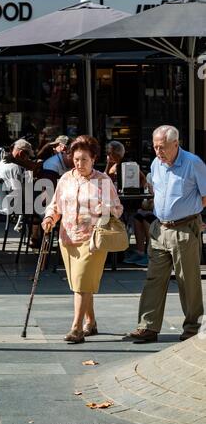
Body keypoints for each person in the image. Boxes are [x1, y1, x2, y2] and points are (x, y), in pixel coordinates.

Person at [128, 125, 206, 343]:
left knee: (187, 281)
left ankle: (192, 328)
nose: (158, 152)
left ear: (176, 144)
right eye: (154, 147)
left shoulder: (193, 163)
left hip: (184, 228)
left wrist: (193, 215)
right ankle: (148, 327)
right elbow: (156, 190)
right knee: (154, 278)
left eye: (162, 147)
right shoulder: (156, 163)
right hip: (159, 228)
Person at [42, 135, 123, 343]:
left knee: (81, 284)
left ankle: (76, 329)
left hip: (93, 239)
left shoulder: (103, 181)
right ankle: (91, 322)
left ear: (94, 159)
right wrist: (50, 217)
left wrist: (106, 209)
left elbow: (118, 209)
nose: (79, 164)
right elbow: (55, 205)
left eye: (84, 160)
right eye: (76, 159)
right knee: (81, 284)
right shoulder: (65, 179)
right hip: (67, 238)